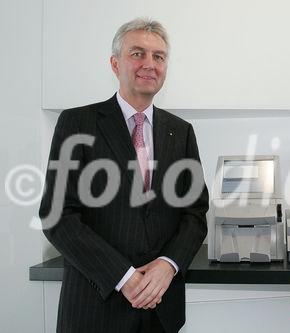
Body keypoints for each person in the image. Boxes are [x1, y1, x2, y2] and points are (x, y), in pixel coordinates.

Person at [39, 18, 209, 333]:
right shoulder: (77, 124)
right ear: (115, 63)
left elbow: (195, 213)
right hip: (95, 309)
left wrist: (168, 265)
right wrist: (123, 276)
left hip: (161, 308)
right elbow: (57, 216)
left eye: (159, 56)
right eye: (138, 54)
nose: (150, 64)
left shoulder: (181, 132)